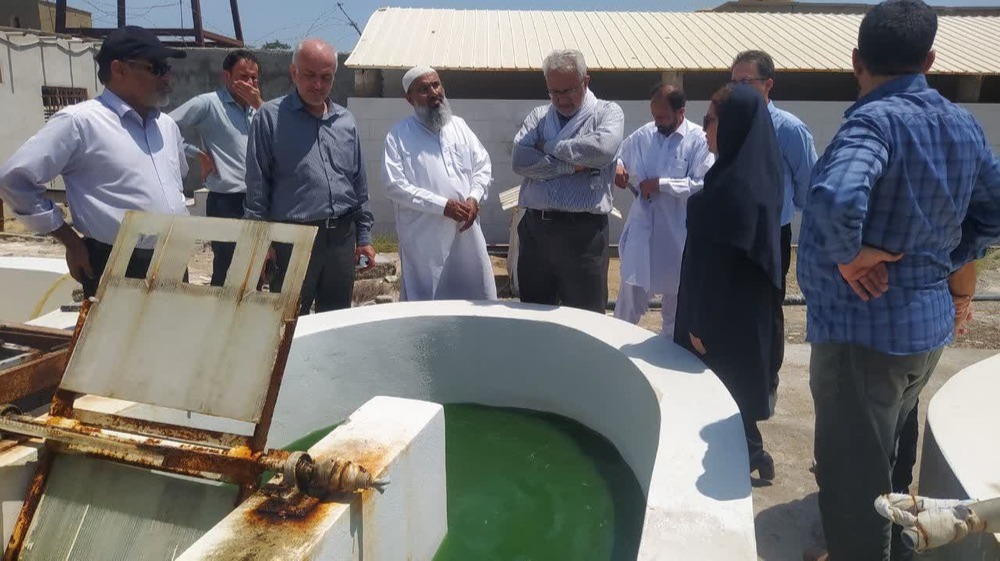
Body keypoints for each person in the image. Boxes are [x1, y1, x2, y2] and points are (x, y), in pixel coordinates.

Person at [797, 1, 1000, 560]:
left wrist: (848, 257)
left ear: (856, 60)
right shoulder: (964, 125)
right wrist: (950, 257)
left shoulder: (874, 122)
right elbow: (994, 208)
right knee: (884, 453)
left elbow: (837, 197)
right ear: (929, 60)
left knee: (851, 473)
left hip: (863, 337)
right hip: (922, 332)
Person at [0, 26, 188, 298]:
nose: (167, 77)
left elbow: (174, 184)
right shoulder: (80, 122)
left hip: (173, 258)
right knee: (119, 329)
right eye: (156, 68)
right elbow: (14, 181)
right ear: (119, 69)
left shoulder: (167, 126)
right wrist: (70, 241)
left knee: (175, 326)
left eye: (167, 68)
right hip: (116, 262)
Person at [674, 84, 784, 483]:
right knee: (734, 393)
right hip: (746, 315)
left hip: (722, 319)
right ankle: (752, 452)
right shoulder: (755, 177)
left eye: (710, 120)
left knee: (718, 394)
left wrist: (699, 324)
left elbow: (715, 269)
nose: (704, 129)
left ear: (732, 124)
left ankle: (741, 460)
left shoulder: (731, 191)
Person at [245, 38, 375, 315]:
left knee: (337, 319)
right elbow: (257, 187)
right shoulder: (269, 118)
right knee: (290, 320)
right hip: (293, 240)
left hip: (341, 238)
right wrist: (260, 243)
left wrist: (364, 237)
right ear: (294, 73)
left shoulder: (346, 121)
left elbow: (358, 184)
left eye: (326, 77)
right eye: (309, 75)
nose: (318, 85)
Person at [511, 49, 624, 313]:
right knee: (533, 314)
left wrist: (548, 146)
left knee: (585, 317)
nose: (561, 100)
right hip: (537, 231)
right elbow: (520, 160)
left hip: (583, 233)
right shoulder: (539, 116)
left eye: (568, 91)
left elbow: (601, 150)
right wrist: (571, 167)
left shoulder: (607, 113)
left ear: (585, 81)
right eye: (554, 92)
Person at [382, 67, 497, 301]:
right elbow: (394, 184)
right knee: (429, 307)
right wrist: (442, 206)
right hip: (425, 240)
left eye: (436, 85)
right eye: (424, 89)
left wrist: (474, 197)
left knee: (474, 300)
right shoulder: (398, 136)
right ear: (410, 98)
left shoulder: (460, 126)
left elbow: (483, 165)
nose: (434, 92)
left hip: (467, 233)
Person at [613, 84, 714, 338]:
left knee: (677, 304)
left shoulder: (698, 141)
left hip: (677, 234)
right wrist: (618, 168)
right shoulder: (645, 135)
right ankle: (616, 343)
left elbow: (703, 184)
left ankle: (670, 348)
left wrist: (661, 184)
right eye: (654, 115)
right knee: (629, 295)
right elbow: (619, 155)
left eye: (663, 117)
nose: (657, 122)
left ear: (681, 112)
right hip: (643, 230)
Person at [170, 49, 263, 286]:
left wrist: (259, 105)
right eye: (243, 76)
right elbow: (166, 126)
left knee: (256, 266)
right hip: (226, 201)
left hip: (258, 200)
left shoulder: (259, 109)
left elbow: (279, 138)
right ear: (227, 76)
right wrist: (197, 154)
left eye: (254, 78)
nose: (249, 83)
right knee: (227, 267)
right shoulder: (209, 104)